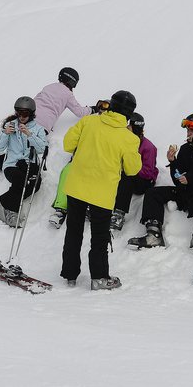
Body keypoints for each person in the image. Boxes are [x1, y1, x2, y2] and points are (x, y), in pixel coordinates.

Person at [59, 90, 142, 290]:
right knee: (99, 237)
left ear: (110, 105)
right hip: (102, 194)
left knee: (73, 232)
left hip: (77, 187)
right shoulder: (128, 138)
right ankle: (99, 277)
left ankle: (70, 275)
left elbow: (68, 144)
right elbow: (132, 169)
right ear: (129, 114)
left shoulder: (89, 122)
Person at [128, 113, 193, 251]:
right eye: (187, 130)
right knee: (153, 193)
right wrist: (173, 162)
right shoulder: (185, 149)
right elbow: (178, 179)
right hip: (189, 193)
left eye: (191, 130)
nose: (188, 133)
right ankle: (154, 234)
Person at [0, 97, 47, 228]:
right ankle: (10, 209)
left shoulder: (37, 129)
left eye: (25, 114)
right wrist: (5, 133)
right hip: (12, 165)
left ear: (31, 114)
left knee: (35, 185)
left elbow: (42, 148)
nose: (21, 117)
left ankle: (1, 202)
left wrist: (30, 135)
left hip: (29, 164)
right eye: (18, 113)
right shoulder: (10, 125)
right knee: (21, 181)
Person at [110, 112, 159, 230]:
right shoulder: (125, 141)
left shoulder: (148, 147)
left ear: (135, 127)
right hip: (127, 174)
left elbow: (147, 172)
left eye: (129, 126)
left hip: (144, 181)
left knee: (127, 176)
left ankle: (119, 214)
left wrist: (129, 167)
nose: (126, 128)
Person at [32, 67, 93, 133]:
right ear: (71, 81)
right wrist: (92, 109)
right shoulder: (68, 94)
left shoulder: (49, 86)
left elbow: (34, 100)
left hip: (28, 117)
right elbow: (79, 112)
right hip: (43, 124)